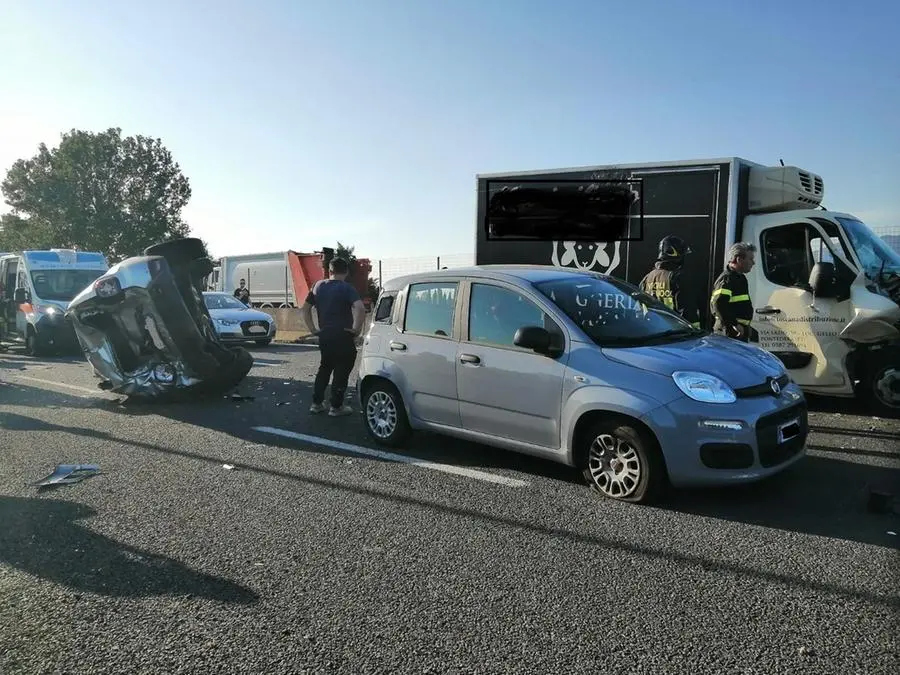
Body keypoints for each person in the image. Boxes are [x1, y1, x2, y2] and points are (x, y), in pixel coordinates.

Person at [300, 257, 366, 416]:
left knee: (325, 367)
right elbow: (360, 308)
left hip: (325, 335)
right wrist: (356, 330)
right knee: (342, 370)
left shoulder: (317, 286)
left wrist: (314, 329)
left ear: (329, 271)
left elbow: (305, 309)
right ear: (347, 272)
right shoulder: (347, 288)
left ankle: (316, 404)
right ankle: (336, 407)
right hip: (343, 335)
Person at [639, 235, 701, 329]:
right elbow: (687, 311)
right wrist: (694, 332)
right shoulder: (677, 278)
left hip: (651, 331)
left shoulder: (647, 278)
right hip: (673, 333)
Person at [710, 242, 756, 342]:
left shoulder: (739, 278)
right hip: (728, 333)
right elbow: (718, 304)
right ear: (739, 259)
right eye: (750, 259)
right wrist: (734, 324)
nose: (753, 263)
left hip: (735, 332)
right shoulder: (727, 279)